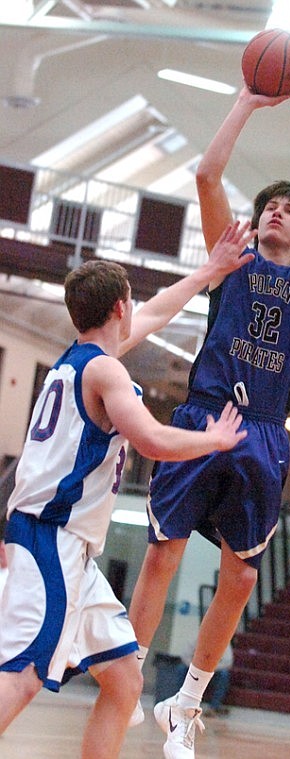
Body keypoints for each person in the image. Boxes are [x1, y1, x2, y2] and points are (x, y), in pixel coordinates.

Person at [128, 66, 290, 758]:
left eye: (289, 208)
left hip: (261, 436)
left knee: (245, 575)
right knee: (161, 552)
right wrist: (246, 101)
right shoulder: (233, 261)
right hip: (203, 416)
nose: (276, 211)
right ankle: (124, 677)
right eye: (269, 206)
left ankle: (186, 701)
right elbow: (204, 173)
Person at [0, 220, 254, 759]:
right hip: (51, 540)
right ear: (120, 307)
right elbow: (152, 440)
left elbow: (161, 307)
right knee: (21, 677)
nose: (140, 307)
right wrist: (211, 440)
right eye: (133, 301)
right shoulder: (105, 374)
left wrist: (212, 270)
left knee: (124, 679)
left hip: (74, 552)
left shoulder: (85, 361)